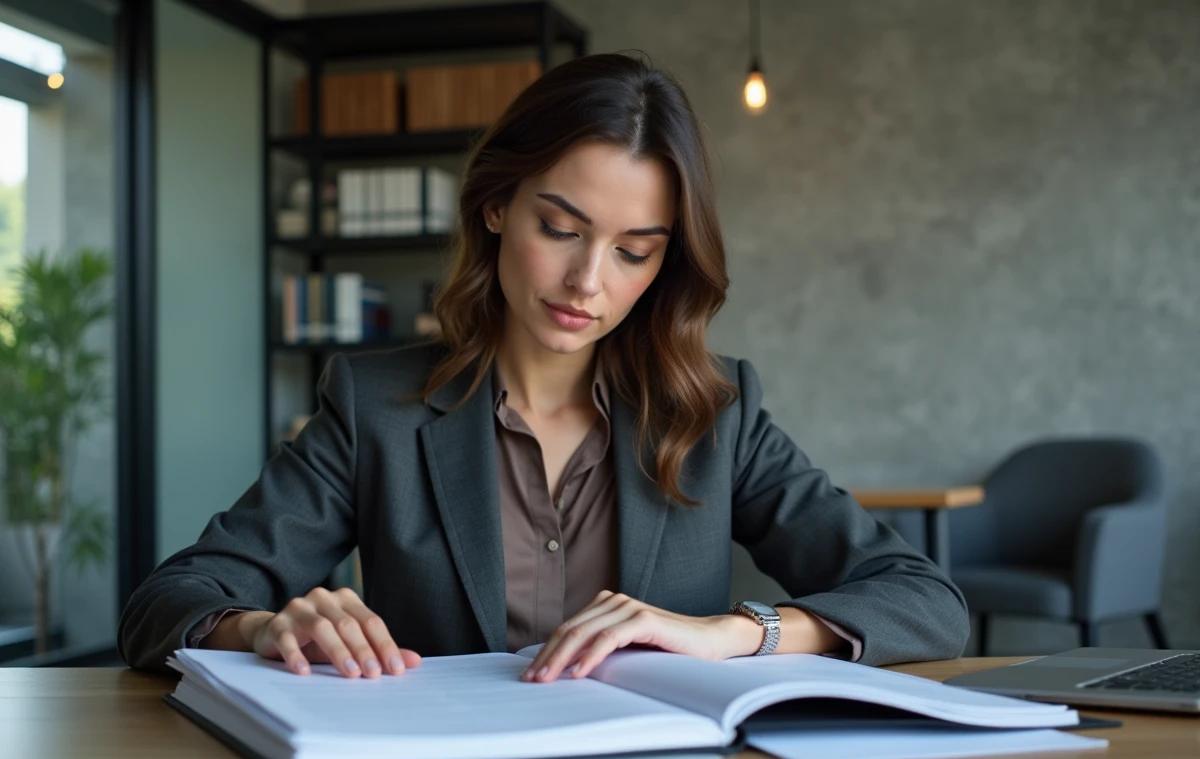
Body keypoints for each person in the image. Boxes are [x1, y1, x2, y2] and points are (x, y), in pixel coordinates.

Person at [118, 52, 969, 682]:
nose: (587, 283)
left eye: (634, 252)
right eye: (560, 229)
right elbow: (168, 602)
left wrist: (734, 631)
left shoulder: (716, 411)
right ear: (496, 205)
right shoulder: (375, 404)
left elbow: (924, 600)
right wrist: (261, 627)